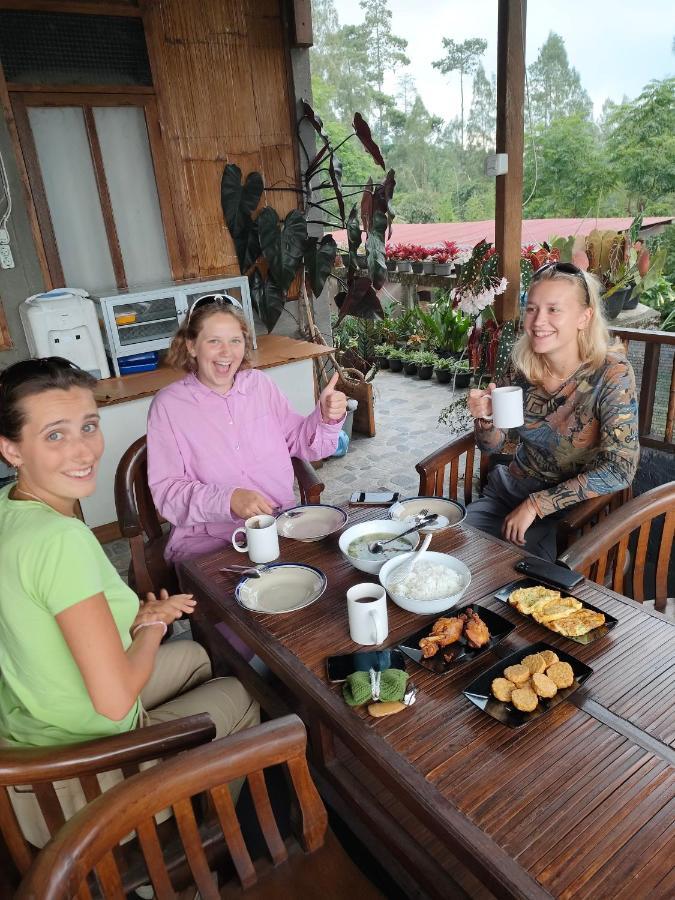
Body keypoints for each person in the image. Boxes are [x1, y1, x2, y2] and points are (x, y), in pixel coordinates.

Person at [0, 357, 259, 847]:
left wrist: (142, 622)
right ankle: (185, 851)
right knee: (247, 697)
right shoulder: (59, 541)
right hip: (83, 779)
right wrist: (151, 628)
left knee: (200, 658)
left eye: (88, 426)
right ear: (11, 448)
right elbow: (116, 700)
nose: (82, 450)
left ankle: (185, 789)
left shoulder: (10, 512)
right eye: (54, 435)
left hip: (32, 740)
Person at [146, 294, 347, 563]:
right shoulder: (169, 406)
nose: (226, 352)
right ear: (191, 346)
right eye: (214, 341)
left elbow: (300, 442)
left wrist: (324, 417)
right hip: (209, 542)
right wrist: (228, 499)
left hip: (280, 526)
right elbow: (168, 493)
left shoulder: (259, 385)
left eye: (235, 340)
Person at [465, 262, 639, 560]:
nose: (537, 321)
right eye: (531, 309)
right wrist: (485, 420)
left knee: (515, 579)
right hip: (509, 490)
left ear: (585, 317)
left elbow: (620, 469)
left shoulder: (611, 375)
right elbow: (494, 446)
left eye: (553, 309)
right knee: (455, 549)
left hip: (568, 509)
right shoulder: (521, 366)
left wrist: (536, 505)